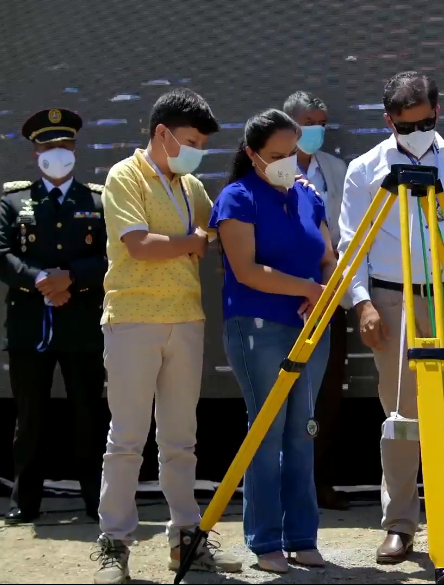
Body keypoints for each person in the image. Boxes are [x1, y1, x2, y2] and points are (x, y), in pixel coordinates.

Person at [340, 71, 444, 564]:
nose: (417, 130)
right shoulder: (365, 168)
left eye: (426, 120)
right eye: (406, 124)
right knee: (400, 416)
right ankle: (399, 526)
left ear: (439, 110)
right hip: (393, 301)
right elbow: (352, 244)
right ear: (388, 119)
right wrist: (363, 303)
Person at [94, 88, 242, 584]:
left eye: (201, 142)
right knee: (127, 440)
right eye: (190, 139)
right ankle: (114, 543)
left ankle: (187, 540)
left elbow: (216, 228)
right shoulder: (124, 175)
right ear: (161, 134)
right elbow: (138, 245)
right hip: (132, 318)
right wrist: (189, 244)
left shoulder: (191, 187)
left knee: (181, 440)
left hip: (186, 319)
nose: (196, 149)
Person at [212, 108, 336, 573]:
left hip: (309, 327)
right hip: (257, 326)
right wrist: (307, 289)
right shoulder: (236, 198)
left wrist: (320, 293)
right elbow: (245, 270)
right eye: (276, 156)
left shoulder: (308, 195)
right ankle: (265, 541)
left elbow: (328, 257)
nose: (288, 163)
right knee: (265, 432)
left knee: (302, 429)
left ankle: (303, 536)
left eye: (293, 155)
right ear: (252, 154)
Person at [0, 108, 107, 526]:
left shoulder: (96, 200)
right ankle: (25, 502)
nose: (56, 152)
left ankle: (98, 501)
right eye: (47, 145)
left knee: (88, 416)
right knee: (30, 417)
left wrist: (71, 279)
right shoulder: (14, 201)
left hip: (81, 324)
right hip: (30, 325)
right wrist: (41, 279)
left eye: (63, 145)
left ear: (74, 149)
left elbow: (112, 256)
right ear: (34, 153)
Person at [282, 90, 351, 511]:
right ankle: (283, 483)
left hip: (331, 293)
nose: (318, 130)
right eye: (310, 122)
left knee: (326, 391)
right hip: (284, 292)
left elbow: (353, 227)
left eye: (322, 122)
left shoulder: (337, 169)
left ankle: (319, 482)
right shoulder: (271, 168)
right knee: (283, 389)